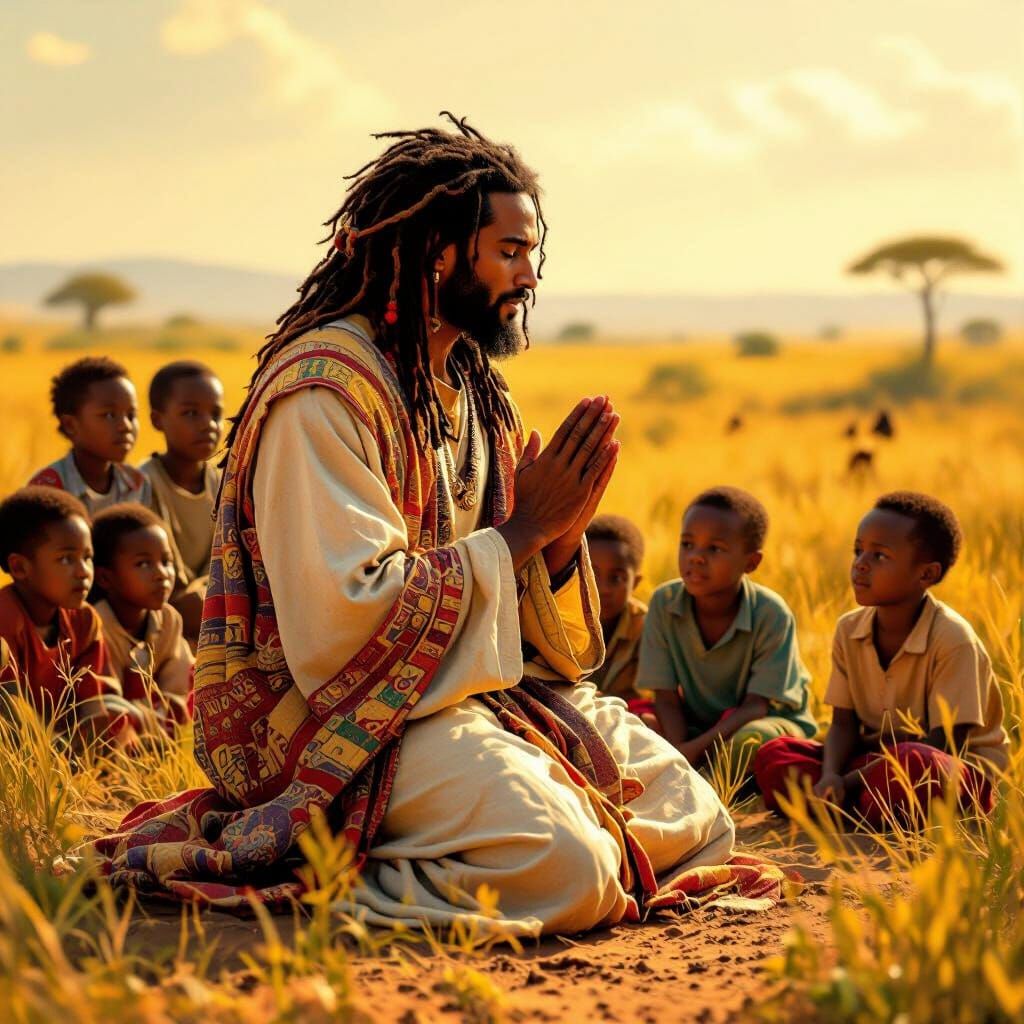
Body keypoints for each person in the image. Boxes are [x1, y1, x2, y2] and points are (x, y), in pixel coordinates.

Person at [97, 116, 762, 936]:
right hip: (339, 725)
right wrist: (521, 533)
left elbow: (540, 636)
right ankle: (327, 865)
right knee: (575, 869)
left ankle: (455, 831)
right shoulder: (324, 394)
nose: (530, 276)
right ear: (441, 253)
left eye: (532, 253)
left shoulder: (474, 385)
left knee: (697, 819)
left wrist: (555, 545)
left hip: (474, 699)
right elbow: (340, 622)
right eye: (510, 252)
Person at [754, 492, 1008, 827]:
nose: (861, 563)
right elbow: (843, 724)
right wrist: (830, 775)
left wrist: (846, 783)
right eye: (858, 550)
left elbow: (943, 746)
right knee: (776, 755)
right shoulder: (849, 629)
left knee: (915, 763)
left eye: (880, 556)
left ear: (927, 574)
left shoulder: (953, 639)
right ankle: (859, 807)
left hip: (949, 770)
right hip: (870, 765)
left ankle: (848, 807)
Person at [639, 487, 816, 779]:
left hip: (766, 724)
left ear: (751, 563)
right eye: (687, 544)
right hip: (700, 727)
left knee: (750, 742)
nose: (696, 557)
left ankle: (709, 782)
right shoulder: (664, 603)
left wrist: (691, 752)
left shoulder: (771, 613)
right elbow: (666, 698)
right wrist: (679, 747)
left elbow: (755, 707)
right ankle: (702, 774)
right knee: (635, 722)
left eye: (715, 549)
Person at [0, 487, 138, 744]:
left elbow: (92, 702)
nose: (83, 572)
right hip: (16, 744)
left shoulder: (83, 621)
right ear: (20, 567)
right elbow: (9, 719)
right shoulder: (5, 623)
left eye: (87, 557)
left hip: (61, 742)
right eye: (66, 559)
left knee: (116, 714)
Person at [140, 361, 224, 642]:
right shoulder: (142, 485)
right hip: (163, 614)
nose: (208, 425)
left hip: (212, 605)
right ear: (157, 420)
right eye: (191, 413)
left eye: (216, 414)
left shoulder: (224, 483)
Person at [91, 503, 194, 730]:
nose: (161, 574)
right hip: (119, 725)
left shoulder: (168, 619)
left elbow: (177, 687)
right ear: (105, 578)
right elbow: (105, 703)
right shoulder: (95, 626)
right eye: (144, 564)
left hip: (159, 721)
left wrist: (167, 712)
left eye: (166, 562)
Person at [29, 357, 151, 516]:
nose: (125, 426)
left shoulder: (137, 483)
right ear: (70, 425)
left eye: (131, 415)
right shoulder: (47, 490)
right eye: (108, 415)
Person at [585, 514, 657, 727]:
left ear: (635, 582)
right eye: (592, 574)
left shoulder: (647, 627)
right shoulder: (559, 619)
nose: (604, 589)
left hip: (627, 718)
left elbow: (658, 696)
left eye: (616, 578)